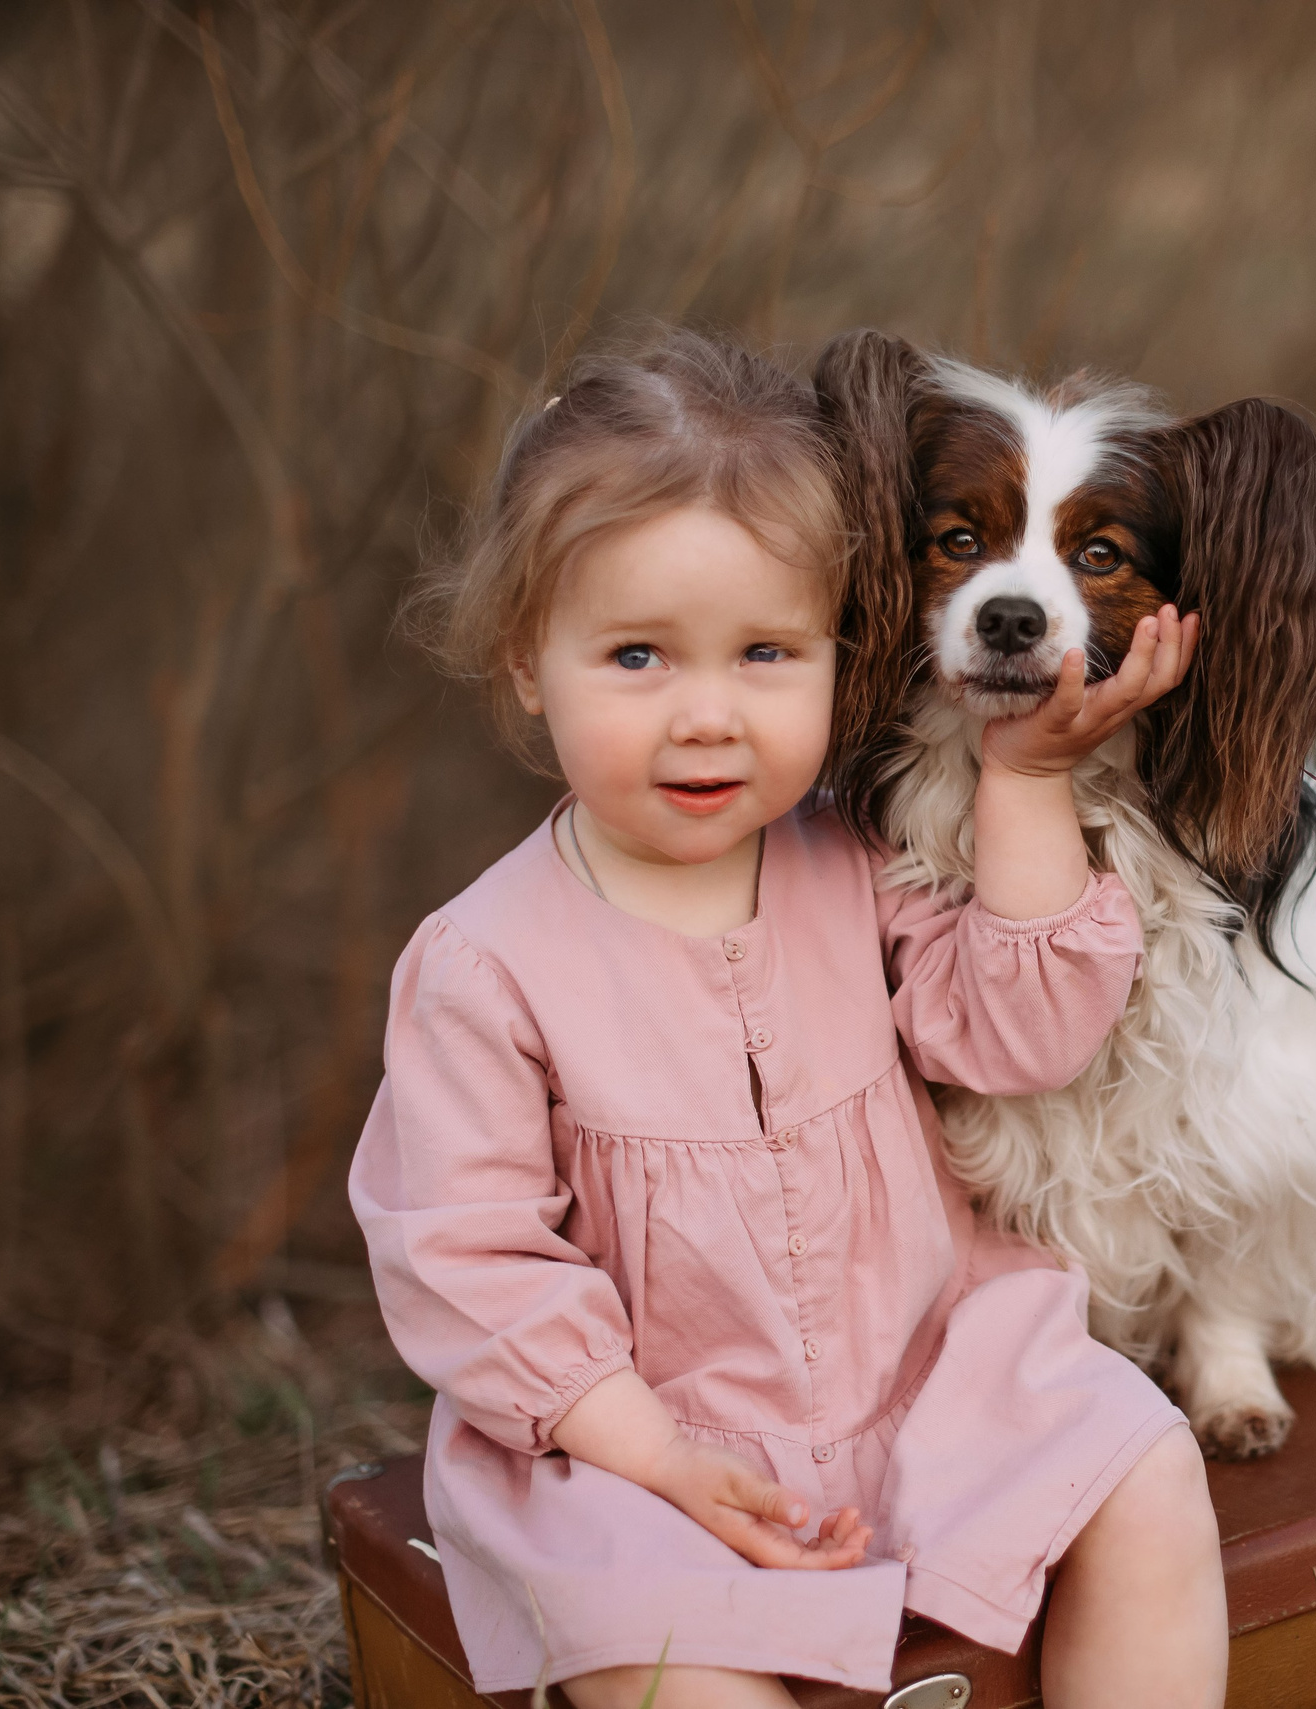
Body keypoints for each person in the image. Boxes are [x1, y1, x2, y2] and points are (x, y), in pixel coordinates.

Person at [349, 326, 1224, 1709]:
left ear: (841, 648)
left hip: (934, 1371)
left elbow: (1023, 1032)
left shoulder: (857, 856)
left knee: (1146, 1469)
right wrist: (650, 1449)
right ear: (528, 659)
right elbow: (467, 1255)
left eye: (767, 652)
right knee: (659, 1658)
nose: (708, 717)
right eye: (638, 656)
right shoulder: (484, 965)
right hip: (643, 1443)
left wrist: (1026, 779)